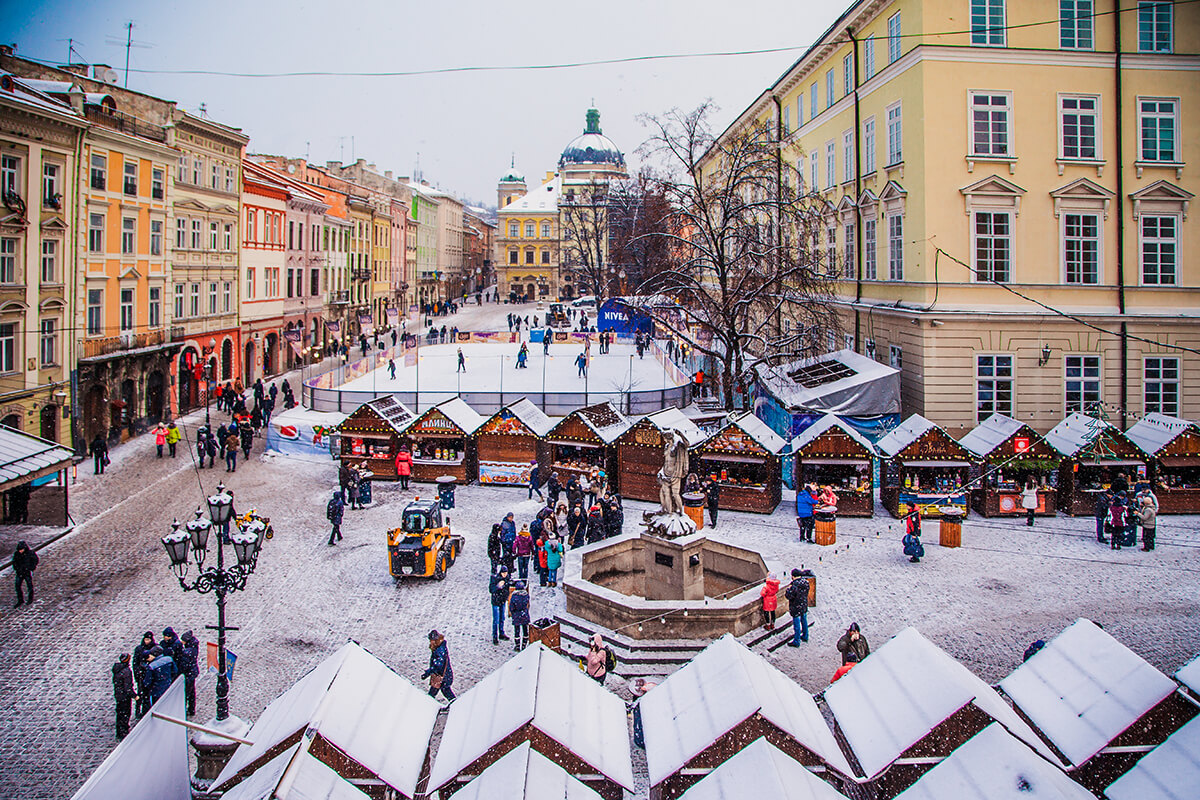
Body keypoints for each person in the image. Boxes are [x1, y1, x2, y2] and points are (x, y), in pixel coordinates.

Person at [422, 630, 456, 701]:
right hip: (445, 676)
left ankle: (427, 705)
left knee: (434, 693)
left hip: (441, 677)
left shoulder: (439, 650)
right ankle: (456, 704)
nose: (430, 642)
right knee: (446, 691)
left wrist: (427, 673)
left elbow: (437, 665)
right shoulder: (440, 647)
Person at [112, 653, 135, 740]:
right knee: (125, 713)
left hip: (118, 695)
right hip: (124, 697)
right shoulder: (126, 671)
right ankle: (123, 731)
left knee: (120, 713)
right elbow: (128, 687)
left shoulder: (117, 669)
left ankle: (119, 731)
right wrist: (134, 695)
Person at [132, 631, 156, 717]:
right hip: (141, 676)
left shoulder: (154, 648)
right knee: (141, 694)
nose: (147, 641)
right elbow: (135, 662)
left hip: (149, 675)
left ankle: (147, 710)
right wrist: (137, 674)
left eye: (148, 639)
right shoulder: (139, 649)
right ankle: (138, 711)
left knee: (148, 694)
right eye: (145, 639)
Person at [784, 568, 809, 646]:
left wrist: (788, 589)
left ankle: (796, 641)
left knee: (797, 624)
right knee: (804, 620)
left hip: (796, 606)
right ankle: (805, 635)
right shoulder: (806, 583)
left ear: (793, 576)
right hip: (803, 605)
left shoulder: (794, 585)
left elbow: (789, 596)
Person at [178, 631, 200, 716]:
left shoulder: (187, 652)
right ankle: (191, 709)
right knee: (191, 692)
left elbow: (184, 664)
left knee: (187, 692)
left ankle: (185, 709)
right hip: (192, 672)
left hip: (189, 674)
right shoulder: (193, 647)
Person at [12, 541, 37, 607]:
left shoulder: (30, 553)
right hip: (19, 572)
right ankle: (20, 600)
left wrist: (31, 568)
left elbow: (35, 560)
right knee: (17, 586)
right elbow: (14, 562)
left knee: (29, 586)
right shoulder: (17, 554)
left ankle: (30, 599)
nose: (20, 551)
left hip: (27, 572)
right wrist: (17, 569)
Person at [490, 565, 510, 644]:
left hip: (502, 600)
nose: (504, 575)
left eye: (506, 573)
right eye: (503, 573)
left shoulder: (507, 578)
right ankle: (495, 636)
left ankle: (501, 633)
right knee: (496, 620)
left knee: (502, 618)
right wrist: (498, 586)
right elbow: (491, 589)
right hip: (496, 601)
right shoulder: (495, 578)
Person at [509, 579, 531, 651]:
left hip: (516, 615)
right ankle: (524, 644)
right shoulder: (526, 595)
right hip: (524, 614)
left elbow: (511, 607)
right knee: (525, 630)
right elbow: (527, 603)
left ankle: (517, 645)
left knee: (517, 631)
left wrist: (513, 613)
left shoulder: (514, 596)